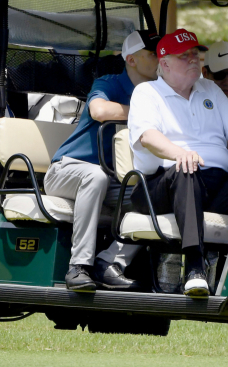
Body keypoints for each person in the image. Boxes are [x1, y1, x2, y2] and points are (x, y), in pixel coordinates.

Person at [127, 28, 228, 297]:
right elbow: (148, 137)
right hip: (160, 185)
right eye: (184, 56)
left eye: (195, 54)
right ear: (163, 63)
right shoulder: (147, 92)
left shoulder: (209, 89)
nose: (193, 60)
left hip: (213, 186)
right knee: (185, 170)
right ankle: (195, 268)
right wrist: (178, 152)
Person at [44, 30, 161, 291]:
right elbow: (98, 110)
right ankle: (78, 267)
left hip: (110, 178)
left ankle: (108, 262)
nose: (160, 58)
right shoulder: (109, 83)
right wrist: (142, 114)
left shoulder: (156, 93)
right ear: (131, 60)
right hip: (66, 169)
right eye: (153, 54)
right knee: (93, 176)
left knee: (156, 196)